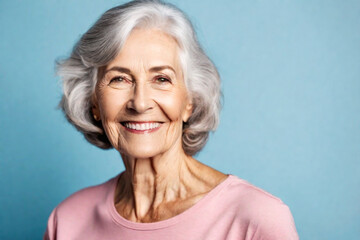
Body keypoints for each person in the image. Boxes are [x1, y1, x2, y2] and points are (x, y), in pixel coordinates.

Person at [44, 0, 299, 239]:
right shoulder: (67, 221)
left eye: (162, 79)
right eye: (119, 79)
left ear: (190, 101)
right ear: (93, 102)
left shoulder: (255, 219)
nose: (140, 103)